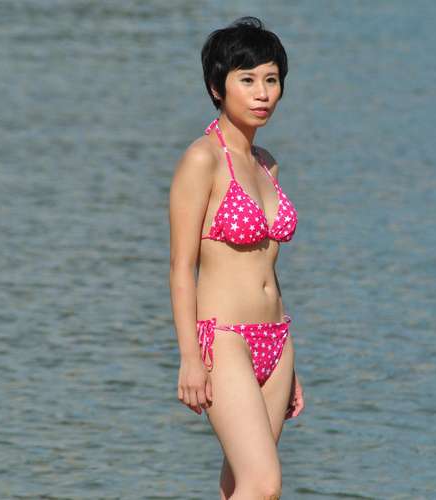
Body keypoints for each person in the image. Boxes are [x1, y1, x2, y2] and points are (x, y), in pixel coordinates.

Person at [169, 16, 305, 499]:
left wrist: (290, 363)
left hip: (276, 340)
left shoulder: (267, 164)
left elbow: (268, 266)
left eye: (271, 79)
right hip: (223, 340)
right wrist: (190, 358)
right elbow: (181, 267)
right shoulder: (202, 159)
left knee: (238, 485)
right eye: (247, 80)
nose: (262, 93)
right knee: (263, 484)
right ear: (216, 87)